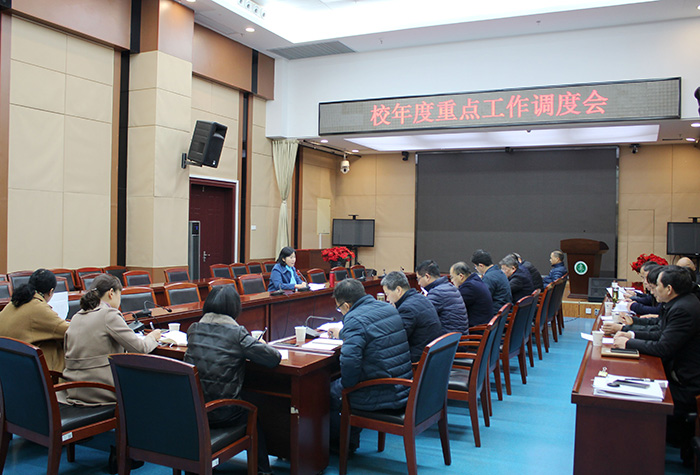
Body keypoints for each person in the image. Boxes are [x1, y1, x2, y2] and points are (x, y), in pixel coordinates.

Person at [185, 285, 281, 475]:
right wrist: (260, 344)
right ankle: (263, 470)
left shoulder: (193, 329)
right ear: (235, 308)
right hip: (222, 413)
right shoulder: (237, 333)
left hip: (194, 411)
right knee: (252, 411)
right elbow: (273, 358)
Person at [612, 266, 700, 463]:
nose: (651, 290)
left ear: (669, 289)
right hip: (679, 375)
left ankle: (638, 460)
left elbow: (663, 347)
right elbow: (661, 333)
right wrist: (630, 334)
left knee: (633, 402)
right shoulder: (680, 302)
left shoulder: (683, 309)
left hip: (688, 386)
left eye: (656, 286)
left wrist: (628, 343)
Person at [330, 279, 412, 453]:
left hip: (384, 392)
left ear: (346, 305)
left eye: (339, 308)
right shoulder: (388, 308)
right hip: (404, 386)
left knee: (329, 391)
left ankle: (342, 446)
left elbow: (350, 364)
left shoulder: (354, 319)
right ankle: (349, 440)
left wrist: (347, 386)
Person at [61, 274, 161, 406]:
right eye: (120, 295)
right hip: (101, 389)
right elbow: (140, 348)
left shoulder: (76, 316)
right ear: (111, 293)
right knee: (154, 385)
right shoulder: (109, 314)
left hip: (73, 387)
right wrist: (152, 337)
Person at [0, 268, 68, 372]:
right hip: (30, 371)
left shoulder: (13, 303)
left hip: (9, 367)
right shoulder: (38, 308)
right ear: (51, 292)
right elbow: (69, 330)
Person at [381, 271, 444, 362]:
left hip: (419, 359)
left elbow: (396, 339)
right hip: (432, 354)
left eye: (387, 294)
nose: (387, 299)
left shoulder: (407, 309)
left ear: (398, 290)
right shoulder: (421, 298)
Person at [415, 260, 468, 334]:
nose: (418, 283)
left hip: (449, 339)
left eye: (418, 279)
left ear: (427, 277)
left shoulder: (437, 292)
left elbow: (421, 316)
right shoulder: (450, 286)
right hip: (459, 336)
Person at [449, 261, 493, 327]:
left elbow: (454, 305)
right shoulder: (475, 280)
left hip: (477, 329)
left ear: (461, 276)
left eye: (452, 277)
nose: (452, 281)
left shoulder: (469, 287)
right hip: (484, 324)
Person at [471, 249, 512, 315]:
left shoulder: (488, 277)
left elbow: (483, 299)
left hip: (496, 314)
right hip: (504, 311)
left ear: (481, 266)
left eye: (475, 267)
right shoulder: (499, 272)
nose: (476, 269)